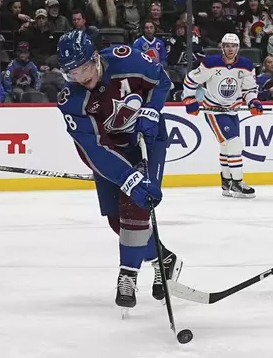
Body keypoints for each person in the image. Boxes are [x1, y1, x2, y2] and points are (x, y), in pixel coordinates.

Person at [56, 30, 181, 312]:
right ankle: (164, 259)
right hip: (107, 155)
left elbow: (161, 80)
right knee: (117, 220)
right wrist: (127, 178)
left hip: (146, 141)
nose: (80, 77)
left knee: (135, 207)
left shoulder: (129, 61)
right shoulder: (70, 100)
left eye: (84, 68)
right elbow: (94, 148)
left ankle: (128, 274)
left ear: (95, 57)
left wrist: (153, 109)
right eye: (72, 72)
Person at [183, 33, 263, 198]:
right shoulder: (211, 63)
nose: (230, 49)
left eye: (233, 46)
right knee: (234, 143)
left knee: (227, 146)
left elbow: (249, 90)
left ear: (238, 47)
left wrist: (253, 102)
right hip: (214, 111)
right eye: (227, 45)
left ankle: (226, 181)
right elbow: (191, 80)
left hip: (232, 110)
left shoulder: (246, 66)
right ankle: (237, 183)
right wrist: (189, 99)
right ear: (222, 47)